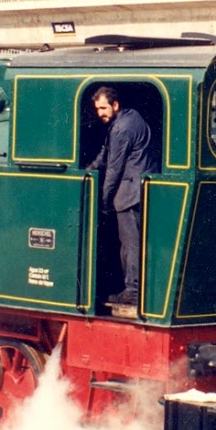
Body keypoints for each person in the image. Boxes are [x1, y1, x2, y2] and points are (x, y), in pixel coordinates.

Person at [87, 86, 159, 308]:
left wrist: (104, 200)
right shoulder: (131, 118)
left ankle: (133, 291)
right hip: (139, 189)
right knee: (131, 242)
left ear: (115, 104)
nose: (100, 113)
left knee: (129, 244)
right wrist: (88, 170)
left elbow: (114, 168)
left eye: (103, 108)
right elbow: (105, 154)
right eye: (97, 108)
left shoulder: (121, 129)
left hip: (129, 193)